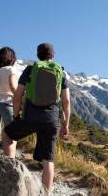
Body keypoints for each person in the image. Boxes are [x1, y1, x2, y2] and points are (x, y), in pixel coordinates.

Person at [4, 43, 70, 193]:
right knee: (49, 160)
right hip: (52, 120)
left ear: (37, 55)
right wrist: (66, 124)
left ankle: (11, 173)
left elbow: (17, 96)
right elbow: (66, 101)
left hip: (30, 118)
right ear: (52, 56)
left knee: (7, 135)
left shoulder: (30, 70)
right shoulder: (61, 72)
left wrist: (16, 116)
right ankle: (46, 193)